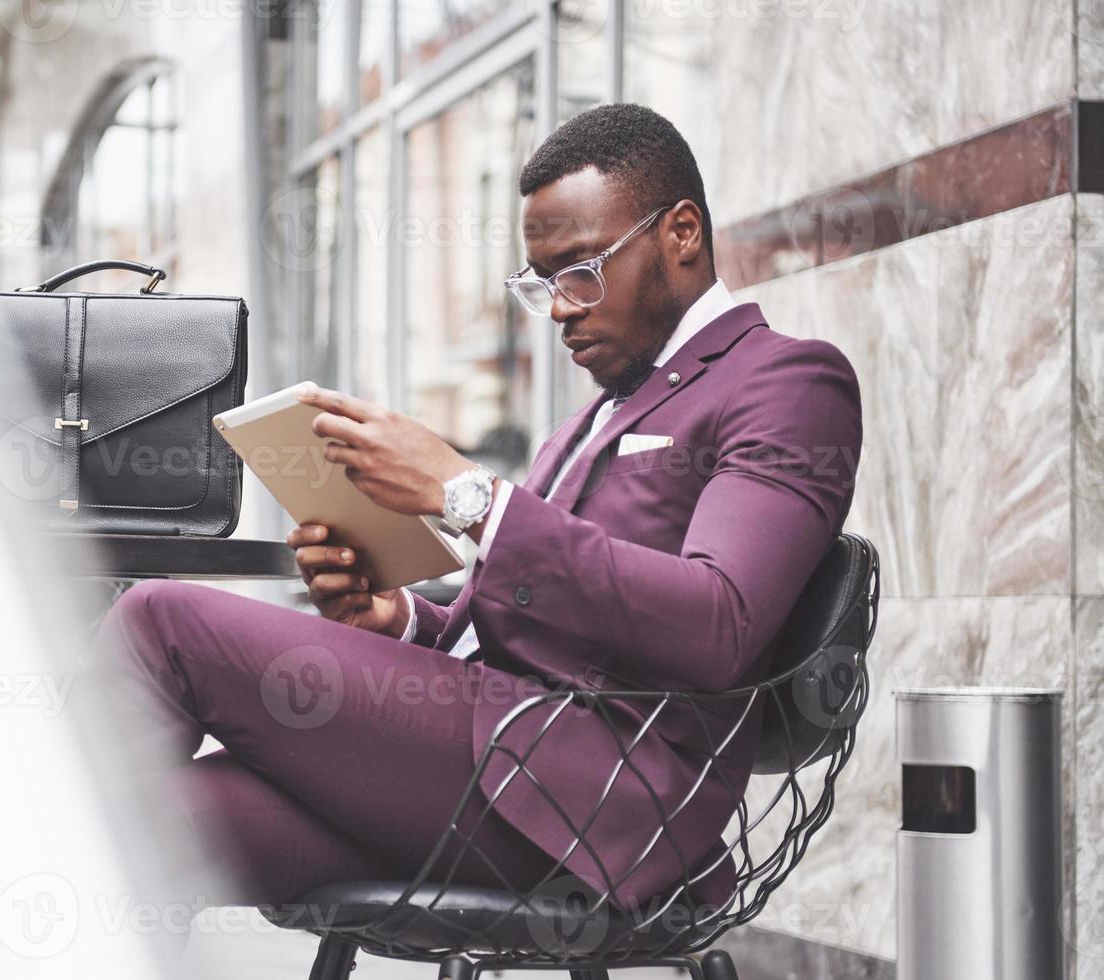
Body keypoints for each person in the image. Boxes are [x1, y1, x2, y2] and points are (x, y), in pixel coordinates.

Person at [93, 103, 862, 926]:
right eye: (541, 283)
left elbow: (721, 623)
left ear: (681, 233)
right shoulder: (581, 425)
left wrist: (468, 496)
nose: (561, 307)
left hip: (598, 806)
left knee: (161, 621)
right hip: (488, 776)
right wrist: (398, 624)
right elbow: (501, 633)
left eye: (582, 270)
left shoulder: (786, 382)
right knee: (136, 823)